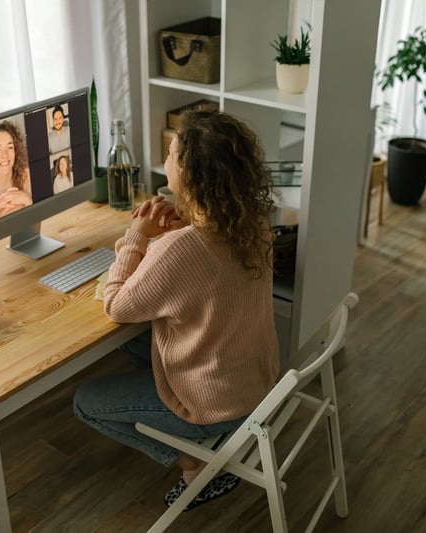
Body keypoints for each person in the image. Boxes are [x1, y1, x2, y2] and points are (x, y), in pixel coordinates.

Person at [73, 109, 280, 510]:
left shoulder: (180, 249)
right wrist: (179, 227)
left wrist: (136, 235)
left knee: (85, 401)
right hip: (256, 383)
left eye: (171, 151)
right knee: (132, 347)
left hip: (216, 404)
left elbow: (117, 305)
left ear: (189, 171)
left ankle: (195, 467)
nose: (165, 158)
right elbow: (199, 273)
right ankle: (200, 457)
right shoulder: (250, 220)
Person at [0, 120, 33, 224]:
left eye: (9, 147)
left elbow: (42, 217)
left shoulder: (28, 175)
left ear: (15, 152)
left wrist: (28, 200)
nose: (5, 155)